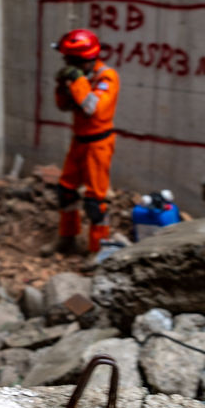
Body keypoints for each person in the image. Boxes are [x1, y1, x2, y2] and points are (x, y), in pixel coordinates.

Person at [50, 27, 120, 254]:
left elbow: (92, 108)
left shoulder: (106, 78)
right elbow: (63, 106)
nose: (66, 64)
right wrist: (62, 87)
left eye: (69, 60)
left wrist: (77, 81)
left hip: (98, 144)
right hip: (79, 141)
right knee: (66, 191)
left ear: (84, 59)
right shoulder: (83, 77)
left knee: (95, 202)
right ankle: (67, 238)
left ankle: (99, 252)